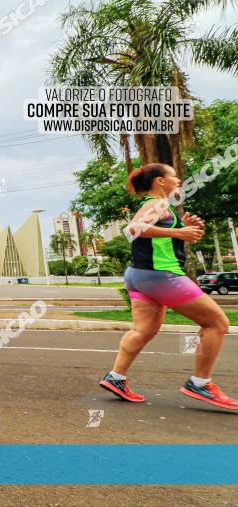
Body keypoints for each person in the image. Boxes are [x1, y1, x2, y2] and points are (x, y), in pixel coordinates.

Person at [99, 163, 236, 409]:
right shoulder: (157, 204)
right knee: (217, 323)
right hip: (161, 276)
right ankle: (200, 383)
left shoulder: (161, 208)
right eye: (173, 176)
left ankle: (116, 378)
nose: (179, 180)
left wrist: (181, 226)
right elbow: (133, 230)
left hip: (138, 275)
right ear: (160, 181)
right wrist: (179, 233)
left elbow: (153, 231)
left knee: (144, 330)